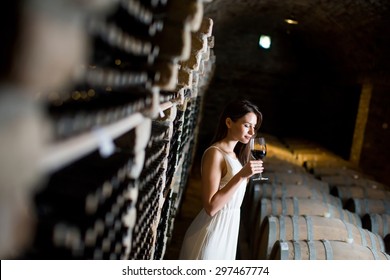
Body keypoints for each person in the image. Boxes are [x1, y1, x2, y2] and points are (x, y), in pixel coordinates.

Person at [179, 99, 264, 259]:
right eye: (247, 125)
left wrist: (244, 174)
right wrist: (241, 176)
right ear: (229, 122)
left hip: (229, 230)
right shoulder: (215, 153)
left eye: (254, 127)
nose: (252, 132)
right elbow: (210, 208)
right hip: (212, 231)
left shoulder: (236, 156)